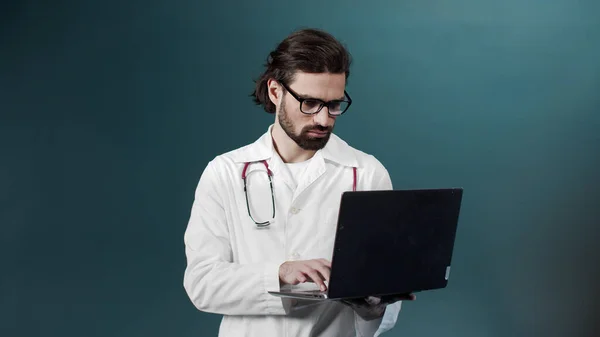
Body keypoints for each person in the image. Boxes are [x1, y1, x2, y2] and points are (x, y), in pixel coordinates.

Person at [183, 28, 414, 337]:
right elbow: (202, 284)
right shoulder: (225, 172)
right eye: (309, 103)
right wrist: (279, 273)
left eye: (334, 104)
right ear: (276, 92)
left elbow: (382, 300)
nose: (323, 119)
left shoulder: (367, 173)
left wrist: (373, 305)